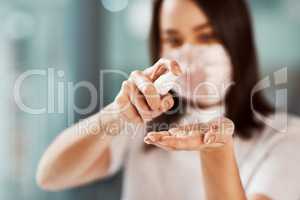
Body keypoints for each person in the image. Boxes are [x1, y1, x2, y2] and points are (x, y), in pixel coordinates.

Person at [36, 0, 300, 200]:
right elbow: (50, 175)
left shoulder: (284, 137)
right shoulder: (142, 125)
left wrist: (214, 149)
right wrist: (117, 114)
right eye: (173, 39)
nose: (188, 52)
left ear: (237, 42)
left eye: (206, 36)